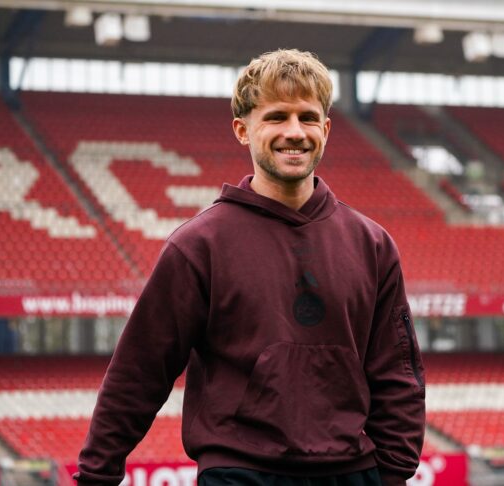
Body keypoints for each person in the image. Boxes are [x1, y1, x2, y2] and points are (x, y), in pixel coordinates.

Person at [75, 49, 425, 486]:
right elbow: (140, 370)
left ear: (327, 129)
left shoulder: (372, 244)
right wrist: (96, 475)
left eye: (308, 117)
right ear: (243, 130)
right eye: (276, 117)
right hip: (240, 473)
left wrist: (392, 475)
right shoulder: (198, 246)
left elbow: (398, 372)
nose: (294, 132)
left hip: (353, 474)